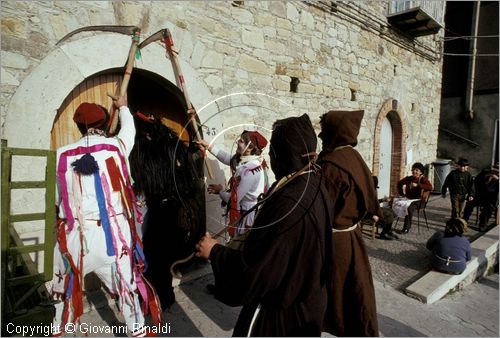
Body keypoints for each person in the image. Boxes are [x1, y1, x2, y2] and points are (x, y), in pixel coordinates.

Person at [195, 114, 333, 336]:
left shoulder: (289, 202)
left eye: (274, 152)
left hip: (282, 313)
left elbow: (258, 268)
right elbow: (229, 159)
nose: (271, 157)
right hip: (305, 298)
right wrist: (210, 147)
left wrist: (215, 252)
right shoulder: (312, 180)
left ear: (282, 155)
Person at [50, 97, 159, 337]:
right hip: (112, 238)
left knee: (63, 291)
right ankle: (138, 330)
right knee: (126, 288)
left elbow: (57, 200)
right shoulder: (117, 146)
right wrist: (123, 107)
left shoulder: (60, 154)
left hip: (76, 238)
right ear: (105, 122)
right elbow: (129, 128)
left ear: (79, 127)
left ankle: (58, 328)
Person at [318, 110, 380, 336]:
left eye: (325, 131)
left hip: (335, 241)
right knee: (356, 290)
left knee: (336, 291)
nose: (321, 136)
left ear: (335, 132)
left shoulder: (331, 165)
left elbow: (322, 207)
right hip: (353, 236)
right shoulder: (354, 158)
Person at [197, 130, 269, 240]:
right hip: (245, 210)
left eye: (240, 141)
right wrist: (209, 147)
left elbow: (233, 199)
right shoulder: (248, 161)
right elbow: (228, 158)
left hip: (247, 215)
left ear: (249, 148)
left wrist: (220, 191)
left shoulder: (249, 171)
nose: (237, 142)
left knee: (240, 243)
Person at [396, 162, 433, 234]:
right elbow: (399, 183)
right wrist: (401, 193)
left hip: (419, 201)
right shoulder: (409, 178)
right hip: (408, 199)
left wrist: (418, 185)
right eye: (413, 170)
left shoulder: (423, 179)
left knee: (408, 208)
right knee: (396, 203)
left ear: (421, 172)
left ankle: (406, 228)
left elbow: (430, 187)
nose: (414, 171)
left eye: (416, 170)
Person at [463, 165, 499, 231]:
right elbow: (475, 182)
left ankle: (482, 225)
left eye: (497, 172)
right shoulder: (484, 173)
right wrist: (485, 177)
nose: (494, 173)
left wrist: (497, 180)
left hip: (491, 199)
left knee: (488, 209)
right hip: (479, 196)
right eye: (493, 171)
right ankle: (464, 222)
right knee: (469, 203)